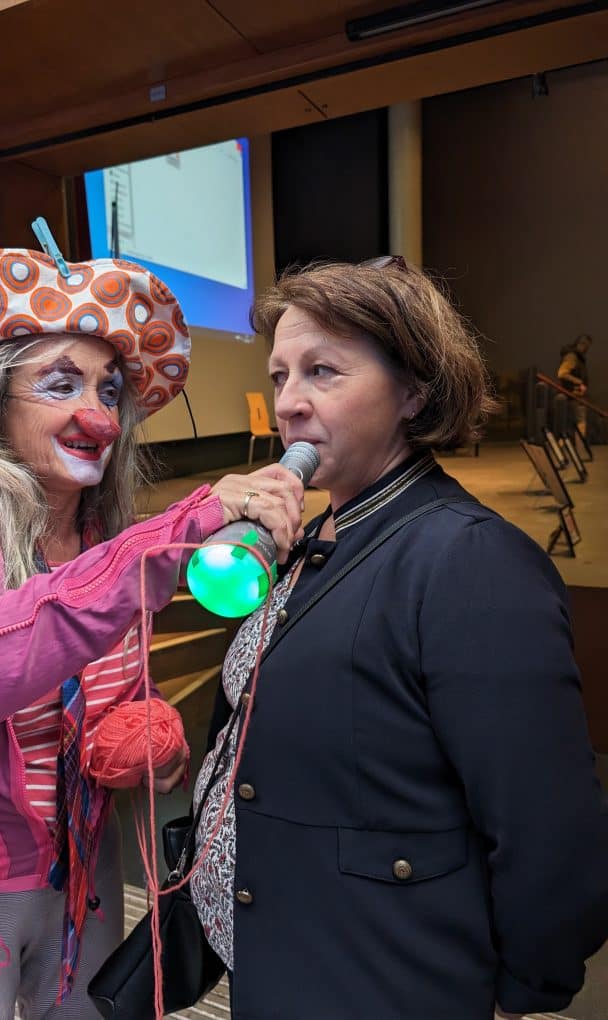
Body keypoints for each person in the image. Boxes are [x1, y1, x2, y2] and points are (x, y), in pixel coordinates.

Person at [0, 248, 304, 1020]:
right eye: (61, 384)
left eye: (110, 391)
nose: (97, 414)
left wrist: (138, 733)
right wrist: (153, 552)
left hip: (78, 867)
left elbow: (90, 695)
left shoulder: (96, 533)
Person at [189, 258, 608, 1020]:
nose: (289, 403)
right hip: (285, 958)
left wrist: (523, 993)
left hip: (381, 981)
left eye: (323, 372)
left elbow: (548, 829)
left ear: (414, 392)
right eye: (281, 376)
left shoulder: (471, 562)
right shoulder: (320, 529)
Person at [557, 332, 593, 437]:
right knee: (579, 423)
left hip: (576, 396)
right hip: (572, 395)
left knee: (576, 424)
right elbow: (562, 373)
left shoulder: (577, 357)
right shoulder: (572, 357)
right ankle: (577, 448)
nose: (586, 348)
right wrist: (579, 382)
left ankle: (574, 448)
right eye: (585, 345)